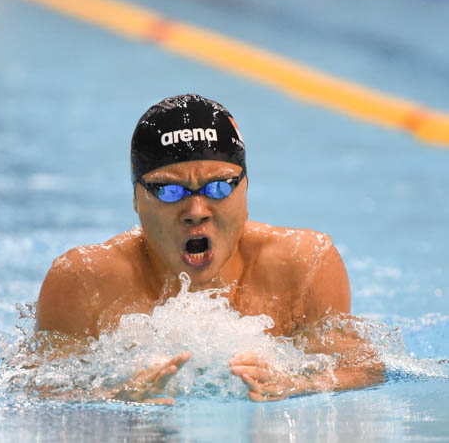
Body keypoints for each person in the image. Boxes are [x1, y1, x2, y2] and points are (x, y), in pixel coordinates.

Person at [35, 94, 383, 404]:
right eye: (170, 191)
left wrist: (298, 383)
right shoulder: (84, 283)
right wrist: (110, 399)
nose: (197, 210)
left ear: (245, 187)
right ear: (136, 197)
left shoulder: (303, 267)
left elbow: (364, 370)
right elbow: (29, 388)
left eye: (218, 188)